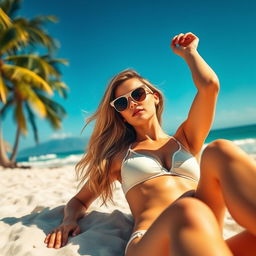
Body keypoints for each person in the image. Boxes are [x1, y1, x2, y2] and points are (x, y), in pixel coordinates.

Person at [44, 32, 256, 255]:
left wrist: (190, 53)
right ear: (121, 115)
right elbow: (79, 200)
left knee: (219, 149)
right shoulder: (118, 157)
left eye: (138, 94)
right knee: (187, 208)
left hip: (203, 237)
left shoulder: (185, 140)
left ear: (154, 96)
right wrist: (68, 220)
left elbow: (210, 87)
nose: (133, 103)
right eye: (122, 103)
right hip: (151, 242)